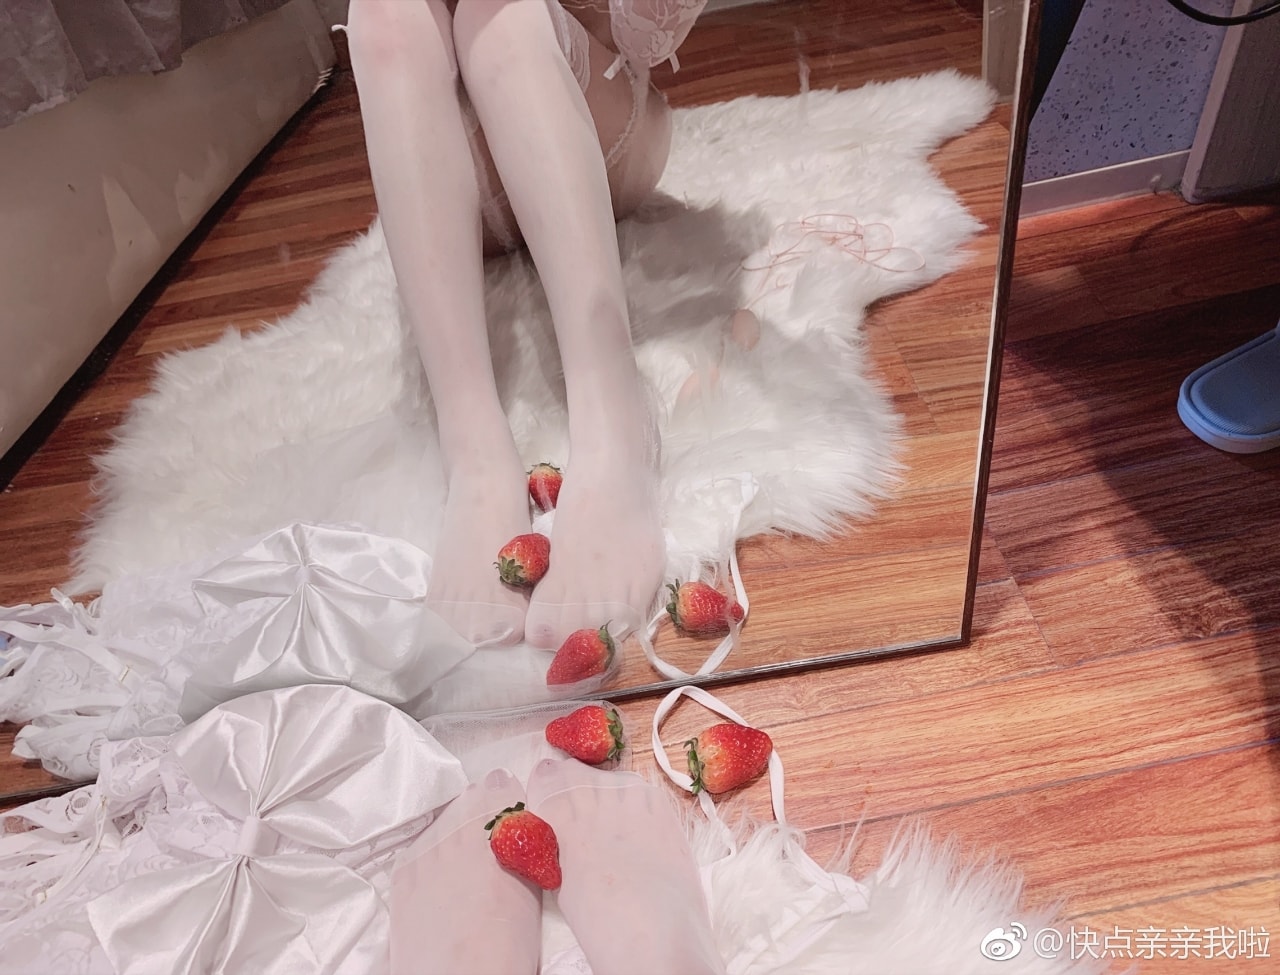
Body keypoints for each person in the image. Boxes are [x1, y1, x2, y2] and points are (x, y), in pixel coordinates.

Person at [345, 0, 707, 650]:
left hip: (591, 127)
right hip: (459, 174)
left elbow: (650, 40)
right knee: (384, 13)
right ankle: (474, 453)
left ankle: (613, 424)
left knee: (498, 15)